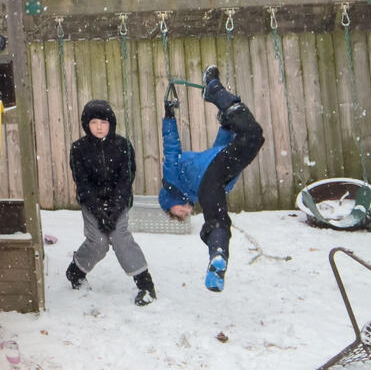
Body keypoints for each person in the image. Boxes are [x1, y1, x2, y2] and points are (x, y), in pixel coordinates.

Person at [159, 65, 265, 292]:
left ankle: (215, 90)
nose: (186, 212)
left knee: (253, 135)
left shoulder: (171, 179)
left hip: (215, 169)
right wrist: (227, 125)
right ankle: (218, 258)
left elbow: (171, 148)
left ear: (169, 202)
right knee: (216, 218)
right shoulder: (199, 194)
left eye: (179, 212)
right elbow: (219, 150)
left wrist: (169, 117)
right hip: (220, 175)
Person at [65, 99, 157, 306]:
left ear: (111, 124)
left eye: (104, 122)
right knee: (98, 242)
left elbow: (126, 180)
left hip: (118, 202)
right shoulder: (79, 149)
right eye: (94, 122)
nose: (99, 127)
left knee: (120, 237)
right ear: (86, 124)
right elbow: (83, 183)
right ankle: (76, 271)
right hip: (91, 203)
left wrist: (114, 211)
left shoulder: (123, 146)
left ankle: (145, 284)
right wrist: (98, 212)